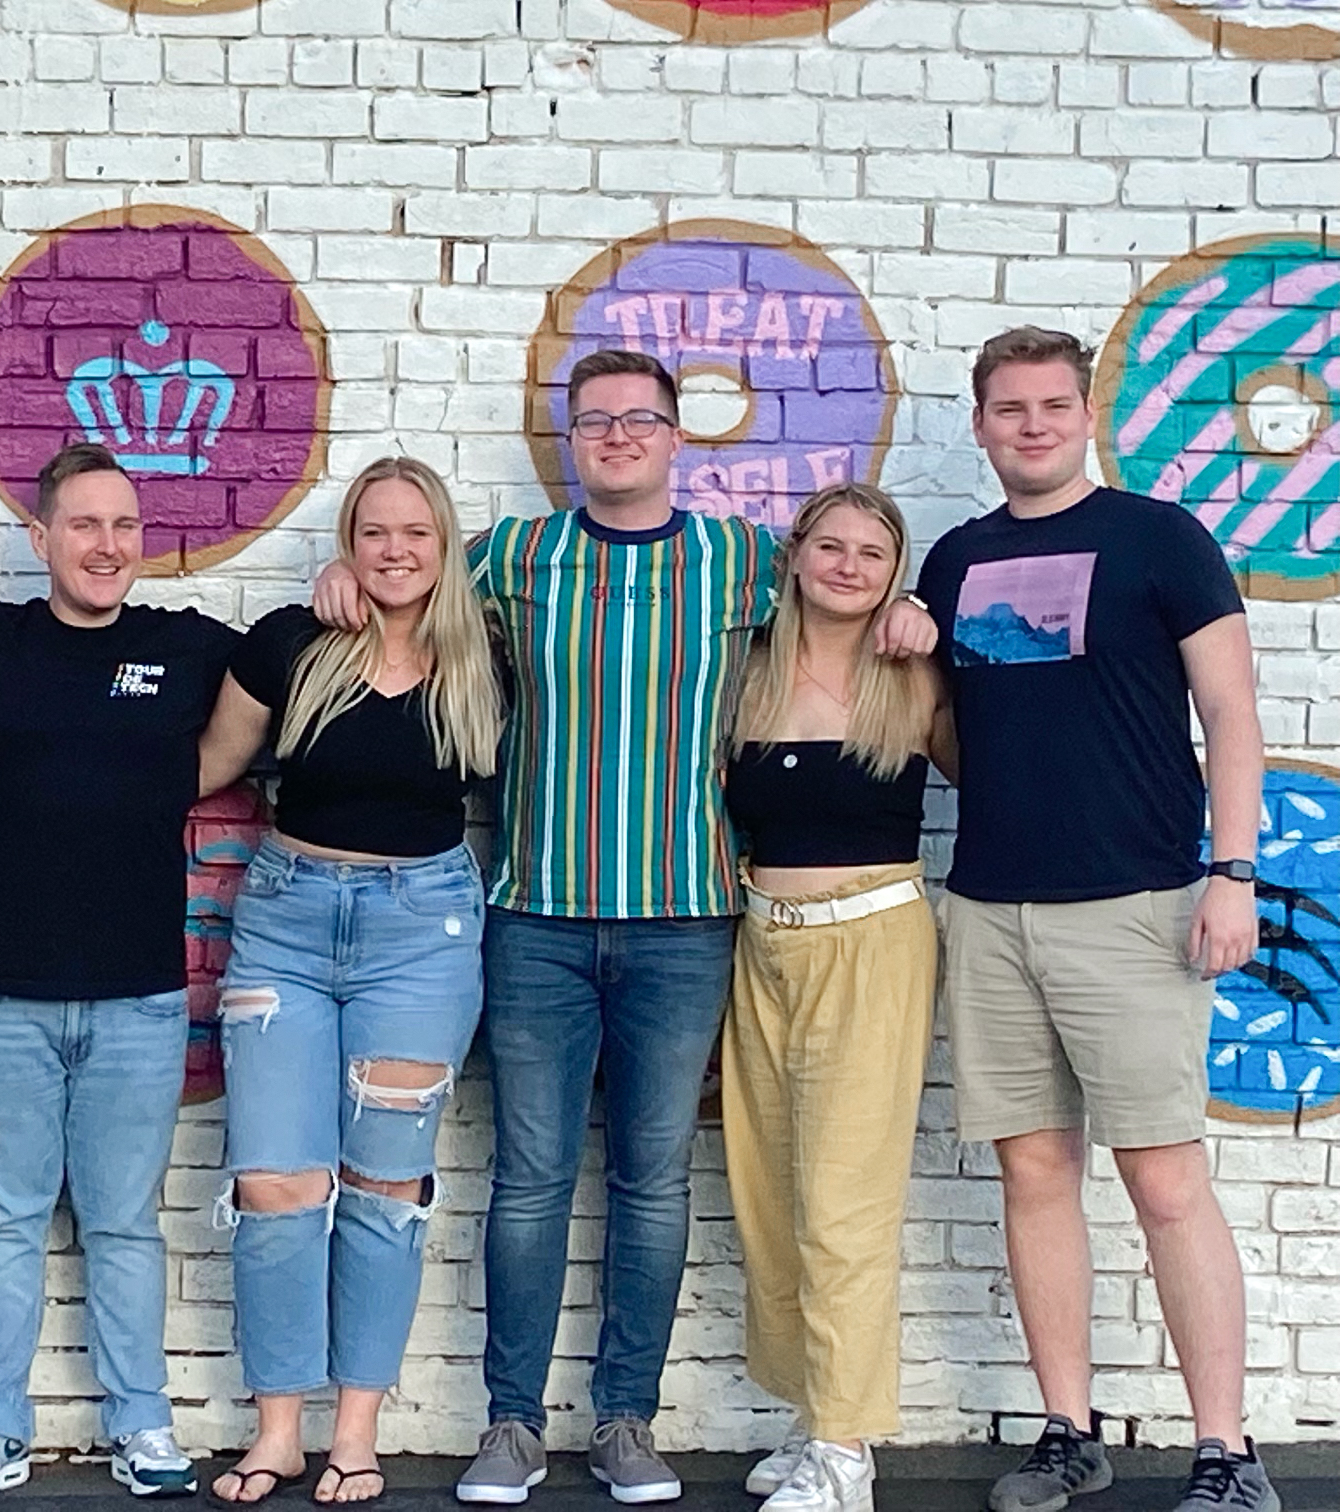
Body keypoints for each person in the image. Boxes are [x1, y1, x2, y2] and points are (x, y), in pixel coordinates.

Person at [314, 351, 936, 1507]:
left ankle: (626, 1421)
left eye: (637, 419)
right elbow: (411, 581)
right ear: (568, 440)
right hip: (537, 919)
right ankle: (509, 1423)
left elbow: (843, 598)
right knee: (531, 1177)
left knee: (653, 1180)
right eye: (592, 421)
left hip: (688, 921)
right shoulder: (511, 558)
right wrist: (336, 576)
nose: (615, 436)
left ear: (673, 436)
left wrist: (905, 606)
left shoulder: (745, 562)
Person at [915, 327, 1275, 1512]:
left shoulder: (1160, 537)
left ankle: (1226, 1450)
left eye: (1052, 406)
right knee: (1033, 1173)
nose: (1031, 425)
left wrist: (1234, 871)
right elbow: (952, 731)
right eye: (1008, 407)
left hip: (1137, 907)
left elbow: (1230, 713)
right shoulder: (955, 562)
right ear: (980, 424)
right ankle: (1067, 1429)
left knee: (1165, 1178)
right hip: (991, 907)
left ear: (1085, 414)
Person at [0, 444, 237, 1503]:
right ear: (41, 537)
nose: (107, 546)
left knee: (120, 1222)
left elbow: (284, 674)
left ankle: (141, 1426)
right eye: (85, 526)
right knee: (6, 1220)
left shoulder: (184, 649)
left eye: (124, 527)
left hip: (138, 994)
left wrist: (334, 589)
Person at [196, 458, 505, 1507]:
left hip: (422, 928)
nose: (396, 551)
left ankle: (355, 1434)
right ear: (347, 542)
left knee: (384, 1192)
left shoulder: (483, 655)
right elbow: (205, 768)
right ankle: (278, 1430)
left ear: (446, 542)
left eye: (417, 532)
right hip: (286, 918)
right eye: (374, 532)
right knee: (275, 1184)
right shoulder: (293, 641)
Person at [720, 483, 952, 1512]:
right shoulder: (744, 669)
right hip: (763, 945)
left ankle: (848, 1456)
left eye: (873, 552)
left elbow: (1012, 770)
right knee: (772, 1199)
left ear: (893, 570)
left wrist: (943, 639)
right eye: (832, 546)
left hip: (873, 942)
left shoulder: (913, 672)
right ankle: (816, 1413)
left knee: (843, 1209)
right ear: (798, 555)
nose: (851, 566)